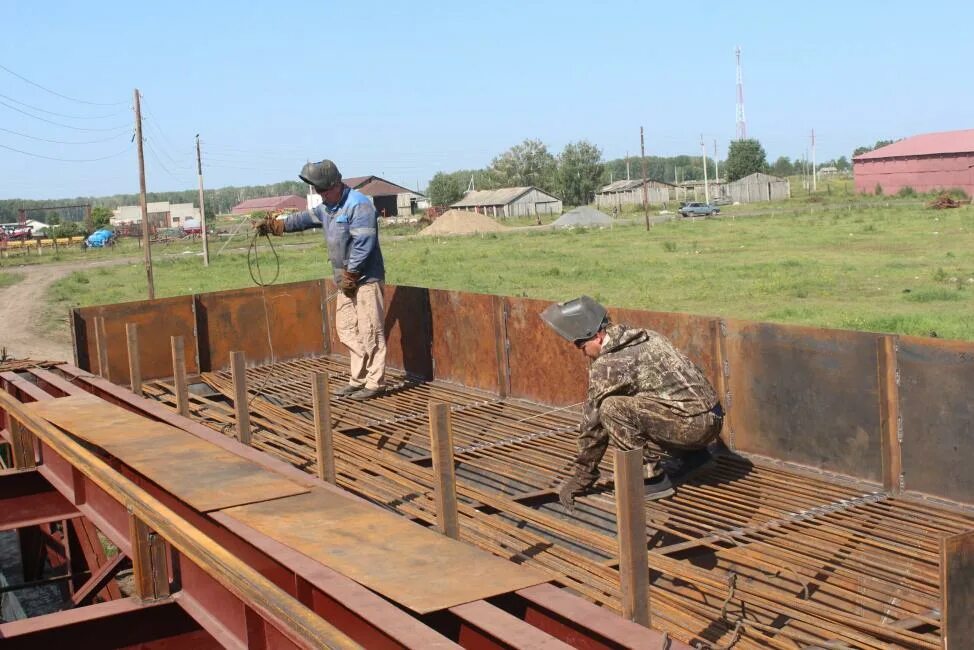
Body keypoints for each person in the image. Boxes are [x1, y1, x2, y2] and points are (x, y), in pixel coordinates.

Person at [540, 296, 724, 509]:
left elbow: (593, 425)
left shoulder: (609, 365)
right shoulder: (647, 337)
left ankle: (652, 479)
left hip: (692, 428)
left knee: (611, 408)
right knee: (644, 401)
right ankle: (695, 458)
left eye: (581, 344)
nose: (580, 350)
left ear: (597, 336)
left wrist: (582, 476)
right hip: (713, 421)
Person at [255, 159, 387, 401]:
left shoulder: (359, 206)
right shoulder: (328, 207)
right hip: (345, 281)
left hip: (365, 279)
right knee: (346, 329)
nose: (320, 195)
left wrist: (353, 274)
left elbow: (363, 243)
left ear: (336, 184)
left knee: (371, 330)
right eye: (317, 191)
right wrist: (277, 226)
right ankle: (358, 379)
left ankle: (375, 382)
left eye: (323, 190)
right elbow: (303, 219)